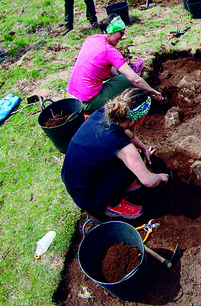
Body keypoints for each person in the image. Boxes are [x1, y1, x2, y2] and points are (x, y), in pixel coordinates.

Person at [62, 88, 169, 219]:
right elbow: (148, 181)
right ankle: (113, 204)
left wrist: (144, 148)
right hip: (87, 198)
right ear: (140, 118)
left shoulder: (102, 114)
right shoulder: (120, 145)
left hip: (74, 182)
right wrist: (161, 177)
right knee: (133, 163)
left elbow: (127, 133)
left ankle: (118, 186)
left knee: (133, 160)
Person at [67, 14, 163, 113]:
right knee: (128, 78)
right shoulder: (109, 51)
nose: (121, 38)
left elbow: (107, 65)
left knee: (121, 75)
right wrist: (151, 90)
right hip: (88, 102)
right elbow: (135, 80)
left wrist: (117, 78)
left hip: (73, 98)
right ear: (112, 31)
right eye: (121, 34)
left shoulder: (92, 39)